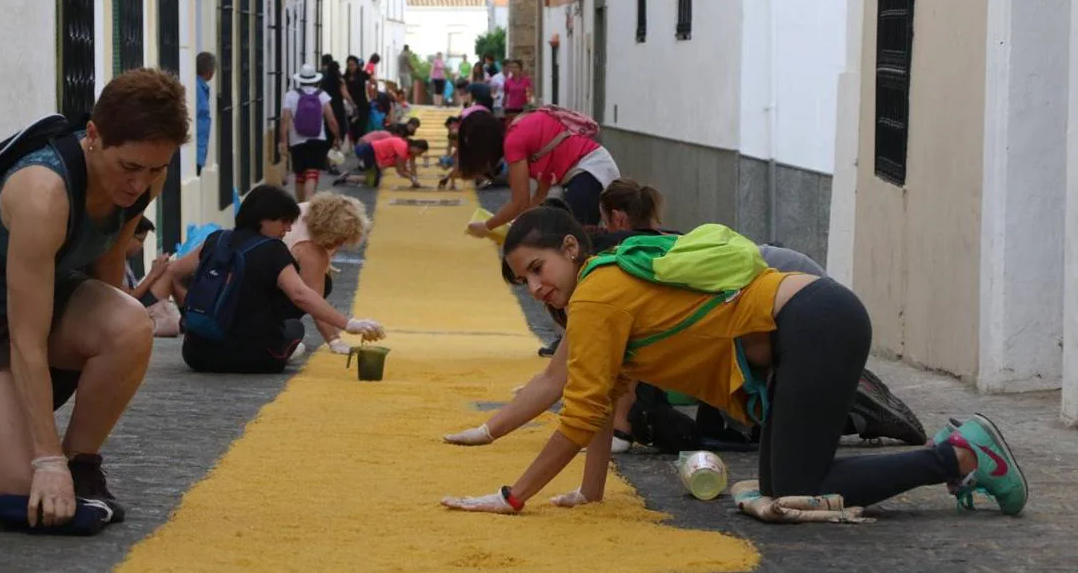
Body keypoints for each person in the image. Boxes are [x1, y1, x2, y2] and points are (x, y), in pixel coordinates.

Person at [440, 207, 1028, 517]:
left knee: (796, 487)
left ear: (570, 250)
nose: (536, 288)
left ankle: (957, 455)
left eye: (538, 270)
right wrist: (590, 493)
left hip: (814, 323)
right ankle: (953, 452)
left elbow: (577, 411)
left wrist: (513, 496)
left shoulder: (596, 293)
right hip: (813, 323)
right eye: (524, 281)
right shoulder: (604, 290)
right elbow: (602, 405)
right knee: (780, 486)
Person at [0, 68, 190, 528]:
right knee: (20, 490)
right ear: (92, 135)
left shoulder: (142, 181)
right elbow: (26, 339)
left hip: (48, 306)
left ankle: (82, 465)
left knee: (131, 324)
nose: (140, 184)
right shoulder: (43, 194)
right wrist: (44, 461)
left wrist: (109, 357)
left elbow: (109, 280)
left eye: (157, 169)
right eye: (130, 167)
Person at [168, 186, 385, 374]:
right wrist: (348, 325)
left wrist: (190, 313)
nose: (288, 229)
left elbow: (175, 272)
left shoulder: (216, 239)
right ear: (264, 219)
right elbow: (301, 295)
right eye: (284, 222)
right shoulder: (274, 250)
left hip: (196, 355)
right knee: (294, 329)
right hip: (254, 359)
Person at [460, 107, 620, 233]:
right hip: (596, 168)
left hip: (589, 172)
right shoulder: (519, 128)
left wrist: (487, 226)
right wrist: (515, 225)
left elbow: (519, 202)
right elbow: (539, 195)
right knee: (579, 241)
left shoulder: (513, 142)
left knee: (578, 246)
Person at [283, 193, 372, 355]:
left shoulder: (306, 210)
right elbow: (311, 299)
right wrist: (334, 340)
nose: (340, 245)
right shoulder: (311, 250)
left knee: (321, 279)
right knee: (319, 286)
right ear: (328, 231)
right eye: (339, 240)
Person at [282, 64, 339, 202]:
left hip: (296, 140)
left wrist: (282, 141)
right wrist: (337, 137)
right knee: (312, 173)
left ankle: (301, 206)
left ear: (299, 79)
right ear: (315, 79)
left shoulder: (290, 95)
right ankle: (308, 202)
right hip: (318, 139)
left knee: (300, 175)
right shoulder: (322, 95)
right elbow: (331, 120)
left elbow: (284, 120)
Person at [121, 217, 182, 337]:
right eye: (140, 240)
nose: (141, 246)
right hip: (129, 309)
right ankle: (186, 316)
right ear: (127, 236)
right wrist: (153, 274)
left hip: (133, 305)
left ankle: (185, 314)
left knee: (168, 270)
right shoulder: (115, 262)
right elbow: (127, 298)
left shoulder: (124, 261)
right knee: (170, 272)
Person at [338, 136, 428, 189]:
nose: (419, 155)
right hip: (370, 152)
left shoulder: (410, 151)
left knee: (374, 180)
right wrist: (412, 180)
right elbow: (400, 171)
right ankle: (347, 178)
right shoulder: (402, 149)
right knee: (373, 183)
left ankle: (349, 176)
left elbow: (413, 166)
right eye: (420, 152)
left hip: (374, 154)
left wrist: (415, 179)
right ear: (416, 148)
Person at [195, 52, 216, 176]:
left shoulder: (201, 87)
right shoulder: (197, 88)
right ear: (210, 72)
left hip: (199, 149)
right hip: (196, 150)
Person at [344, 56, 372, 143]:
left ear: (357, 65)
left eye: (353, 65)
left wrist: (373, 96)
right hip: (351, 107)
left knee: (361, 129)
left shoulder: (363, 74)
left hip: (363, 106)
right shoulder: (345, 76)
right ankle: (356, 146)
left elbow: (373, 81)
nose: (351, 67)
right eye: (349, 65)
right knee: (352, 129)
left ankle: (359, 148)